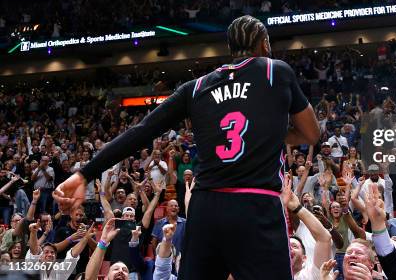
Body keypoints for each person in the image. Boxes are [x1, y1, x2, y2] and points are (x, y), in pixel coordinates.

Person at [54, 15, 320, 280]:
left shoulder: (196, 87)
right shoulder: (275, 70)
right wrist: (270, 132)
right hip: (256, 204)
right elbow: (311, 133)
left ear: (230, 49)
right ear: (264, 44)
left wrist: (84, 173)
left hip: (206, 209)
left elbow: (140, 131)